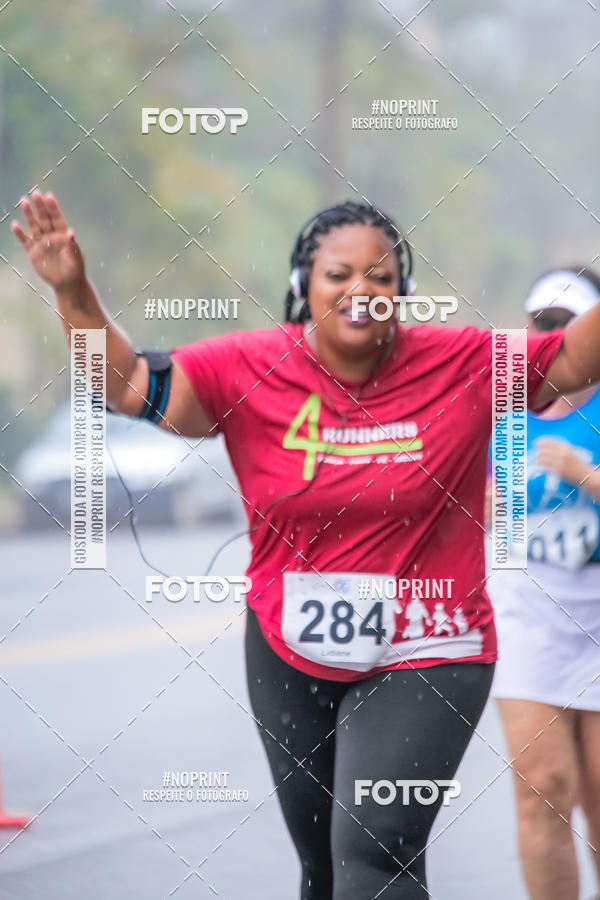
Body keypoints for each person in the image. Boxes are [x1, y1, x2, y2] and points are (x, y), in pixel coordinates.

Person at [11, 192, 600, 899]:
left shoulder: (463, 362)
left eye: (381, 279)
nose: (362, 292)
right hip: (288, 650)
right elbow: (132, 383)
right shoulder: (248, 367)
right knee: (323, 869)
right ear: (303, 286)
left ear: (404, 294)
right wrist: (73, 291)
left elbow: (570, 358)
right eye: (340, 275)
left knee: (375, 857)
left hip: (430, 647)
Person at [487, 267, 600, 900]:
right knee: (542, 789)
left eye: (568, 324)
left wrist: (585, 475)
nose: (551, 336)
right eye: (541, 323)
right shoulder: (506, 408)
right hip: (531, 610)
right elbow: (497, 524)